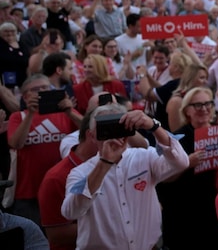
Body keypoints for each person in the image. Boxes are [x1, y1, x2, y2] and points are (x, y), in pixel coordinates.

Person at [61, 104, 190, 250]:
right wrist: (105, 163)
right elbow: (70, 212)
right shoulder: (80, 172)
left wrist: (154, 127)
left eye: (118, 128)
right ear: (91, 136)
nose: (113, 136)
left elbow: (181, 162)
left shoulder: (144, 156)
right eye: (105, 129)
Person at [8, 75, 81, 225]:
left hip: (63, 187)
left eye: (45, 88)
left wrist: (70, 112)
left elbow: (90, 132)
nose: (42, 92)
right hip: (29, 192)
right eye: (36, 89)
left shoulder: (65, 114)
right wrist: (31, 114)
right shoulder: (18, 117)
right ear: (25, 96)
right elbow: (16, 144)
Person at [156, 87, 218, 250]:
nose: (204, 109)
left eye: (208, 104)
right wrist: (186, 163)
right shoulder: (177, 139)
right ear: (187, 111)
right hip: (182, 213)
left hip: (211, 211)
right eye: (198, 105)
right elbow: (162, 178)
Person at [38, 113, 95, 250]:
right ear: (91, 135)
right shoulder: (56, 177)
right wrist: (113, 225)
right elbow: (57, 234)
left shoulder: (119, 166)